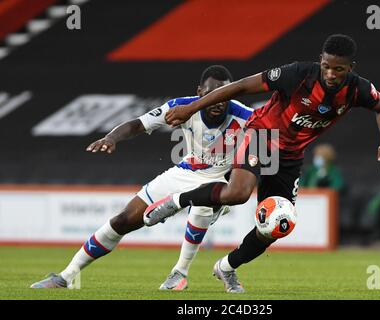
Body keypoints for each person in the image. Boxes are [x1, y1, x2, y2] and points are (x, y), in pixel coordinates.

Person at [144, 34, 380, 293]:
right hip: (263, 135)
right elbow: (240, 86)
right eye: (326, 66)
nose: (331, 74)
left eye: (339, 69)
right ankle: (177, 201)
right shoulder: (297, 74)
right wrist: (193, 107)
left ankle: (227, 267)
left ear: (351, 69)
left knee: (277, 226)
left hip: (290, 157)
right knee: (238, 194)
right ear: (320, 61)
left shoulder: (358, 89)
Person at [30, 65, 253, 290]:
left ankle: (179, 273)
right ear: (199, 92)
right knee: (123, 220)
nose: (218, 101)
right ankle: (65, 277)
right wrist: (111, 137)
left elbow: (272, 143)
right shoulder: (181, 107)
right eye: (210, 95)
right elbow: (139, 123)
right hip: (185, 171)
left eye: (223, 94)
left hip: (218, 179)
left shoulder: (245, 116)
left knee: (201, 207)